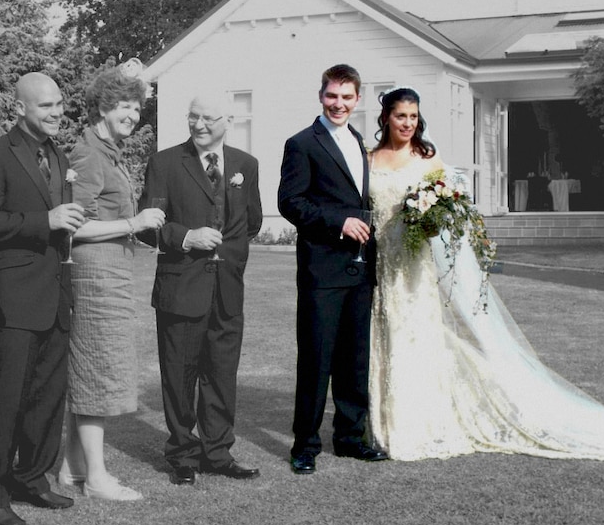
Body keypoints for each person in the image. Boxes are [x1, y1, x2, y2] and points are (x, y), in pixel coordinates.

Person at [367, 86, 604, 461]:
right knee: (383, 336)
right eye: (401, 116)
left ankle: (420, 422)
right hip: (381, 264)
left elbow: (451, 208)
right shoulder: (369, 159)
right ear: (386, 118)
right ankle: (383, 421)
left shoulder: (427, 158)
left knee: (416, 336)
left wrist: (432, 216)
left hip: (415, 267)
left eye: (414, 117)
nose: (408, 123)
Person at [0, 72, 85, 525]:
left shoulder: (57, 153)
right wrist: (46, 219)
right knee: (5, 401)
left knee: (46, 398)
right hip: (12, 299)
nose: (57, 112)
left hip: (56, 294)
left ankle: (32, 478)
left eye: (59, 104)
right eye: (45, 106)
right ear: (20, 108)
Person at [137, 93, 263, 485]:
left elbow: (252, 222)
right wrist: (186, 236)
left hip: (227, 289)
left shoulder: (246, 165)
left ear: (228, 120)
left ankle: (218, 451)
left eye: (208, 118)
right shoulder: (165, 163)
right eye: (193, 117)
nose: (199, 125)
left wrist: (233, 256)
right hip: (181, 286)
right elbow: (146, 226)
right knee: (179, 375)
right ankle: (182, 454)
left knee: (222, 373)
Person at [56, 65, 164, 501]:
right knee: (95, 375)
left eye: (138, 107)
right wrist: (132, 222)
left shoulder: (108, 151)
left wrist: (128, 225)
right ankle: (97, 479)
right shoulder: (89, 155)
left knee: (96, 371)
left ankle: (71, 468)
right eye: (125, 105)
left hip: (111, 273)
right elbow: (72, 227)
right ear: (103, 106)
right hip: (94, 276)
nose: (134, 114)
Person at [278, 64, 389, 476]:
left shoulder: (359, 141)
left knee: (354, 358)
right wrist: (338, 221)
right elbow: (290, 202)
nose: (338, 103)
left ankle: (349, 438)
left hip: (360, 268)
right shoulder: (302, 143)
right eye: (331, 96)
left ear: (357, 99)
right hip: (322, 268)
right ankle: (305, 445)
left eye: (346, 97)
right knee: (316, 360)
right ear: (320, 96)